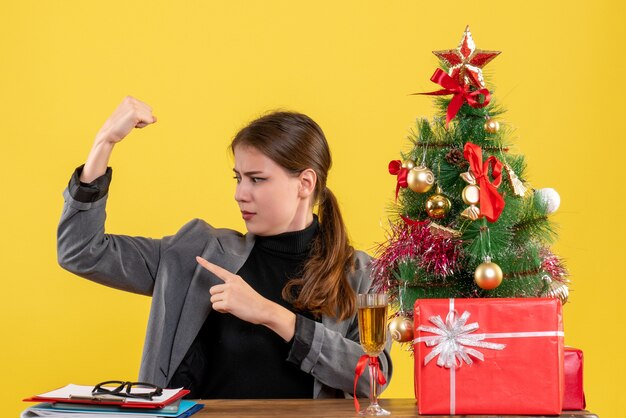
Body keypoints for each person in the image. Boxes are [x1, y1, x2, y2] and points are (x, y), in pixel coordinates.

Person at [57, 96, 392, 399]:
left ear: (305, 183)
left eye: (257, 179)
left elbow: (374, 377)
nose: (240, 193)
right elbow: (81, 251)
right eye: (238, 178)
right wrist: (105, 142)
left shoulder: (361, 275)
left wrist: (271, 314)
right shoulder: (198, 254)